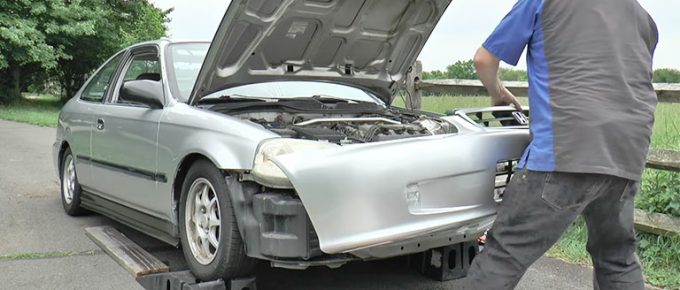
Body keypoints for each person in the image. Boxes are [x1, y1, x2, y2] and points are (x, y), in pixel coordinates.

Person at [468, 0, 658, 289]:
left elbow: (484, 59)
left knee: (504, 255)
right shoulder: (642, 16)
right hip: (626, 156)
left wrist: (498, 91)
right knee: (617, 258)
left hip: (564, 152)